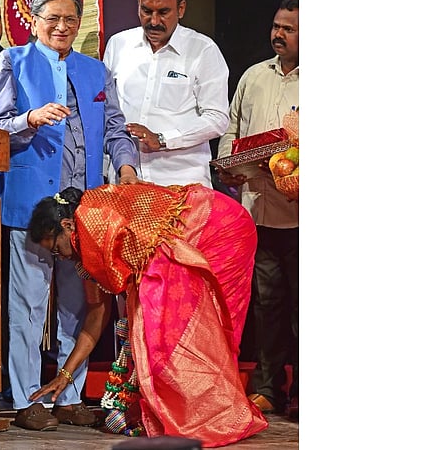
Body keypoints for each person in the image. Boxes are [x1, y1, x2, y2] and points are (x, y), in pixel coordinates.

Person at [0, 0, 140, 431]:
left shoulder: (94, 70)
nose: (61, 26)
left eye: (70, 19)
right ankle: (26, 398)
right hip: (32, 205)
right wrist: (29, 119)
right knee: (28, 305)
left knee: (78, 303)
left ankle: (69, 396)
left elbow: (114, 127)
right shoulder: (12, 60)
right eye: (52, 18)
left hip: (85, 210)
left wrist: (126, 167)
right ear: (33, 21)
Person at [26, 183, 268, 447]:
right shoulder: (86, 252)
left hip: (218, 226)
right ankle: (209, 413)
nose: (59, 258)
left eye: (55, 249)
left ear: (67, 225)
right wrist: (65, 374)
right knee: (197, 330)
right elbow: (97, 315)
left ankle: (209, 418)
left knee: (171, 331)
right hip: (207, 229)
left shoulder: (93, 220)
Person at [216, 0, 299, 420]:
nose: (278, 34)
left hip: (302, 215)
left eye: (289, 28)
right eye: (276, 26)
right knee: (268, 306)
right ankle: (269, 389)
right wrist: (230, 165)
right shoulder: (254, 76)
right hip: (259, 213)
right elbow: (232, 129)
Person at [102, 0, 230, 188]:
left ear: (181, 9)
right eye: (146, 11)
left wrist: (163, 139)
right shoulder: (118, 44)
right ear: (138, 6)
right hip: (127, 180)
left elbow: (217, 118)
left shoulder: (203, 50)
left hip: (182, 183)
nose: (154, 21)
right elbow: (108, 112)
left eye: (163, 12)